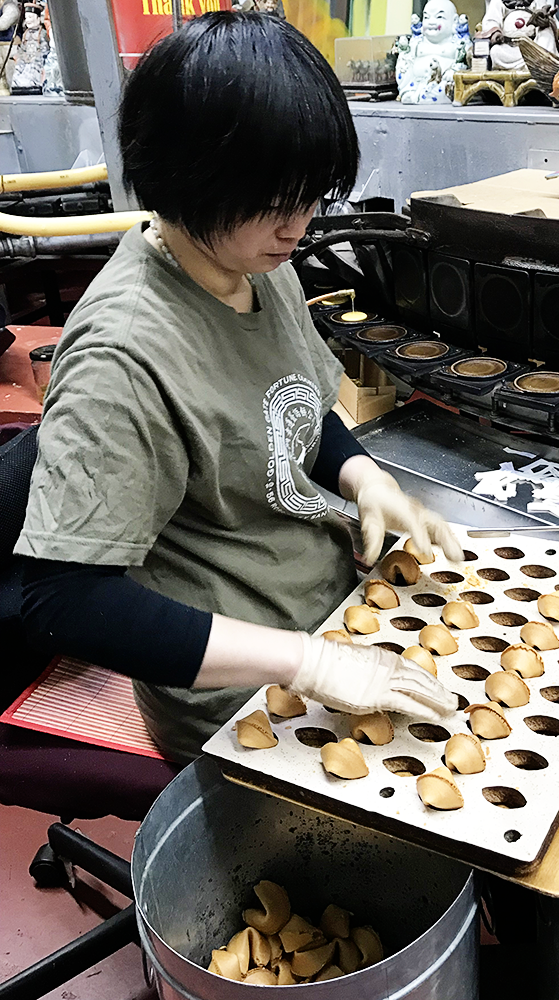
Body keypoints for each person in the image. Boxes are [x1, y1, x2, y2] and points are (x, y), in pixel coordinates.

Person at [14, 11, 463, 765]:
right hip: (241, 683)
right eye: (272, 201)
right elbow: (65, 602)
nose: (299, 226)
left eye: (311, 194)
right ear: (188, 177)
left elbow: (294, 409)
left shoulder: (256, 265)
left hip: (334, 609)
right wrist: (308, 664)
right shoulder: (125, 353)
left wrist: (363, 476)